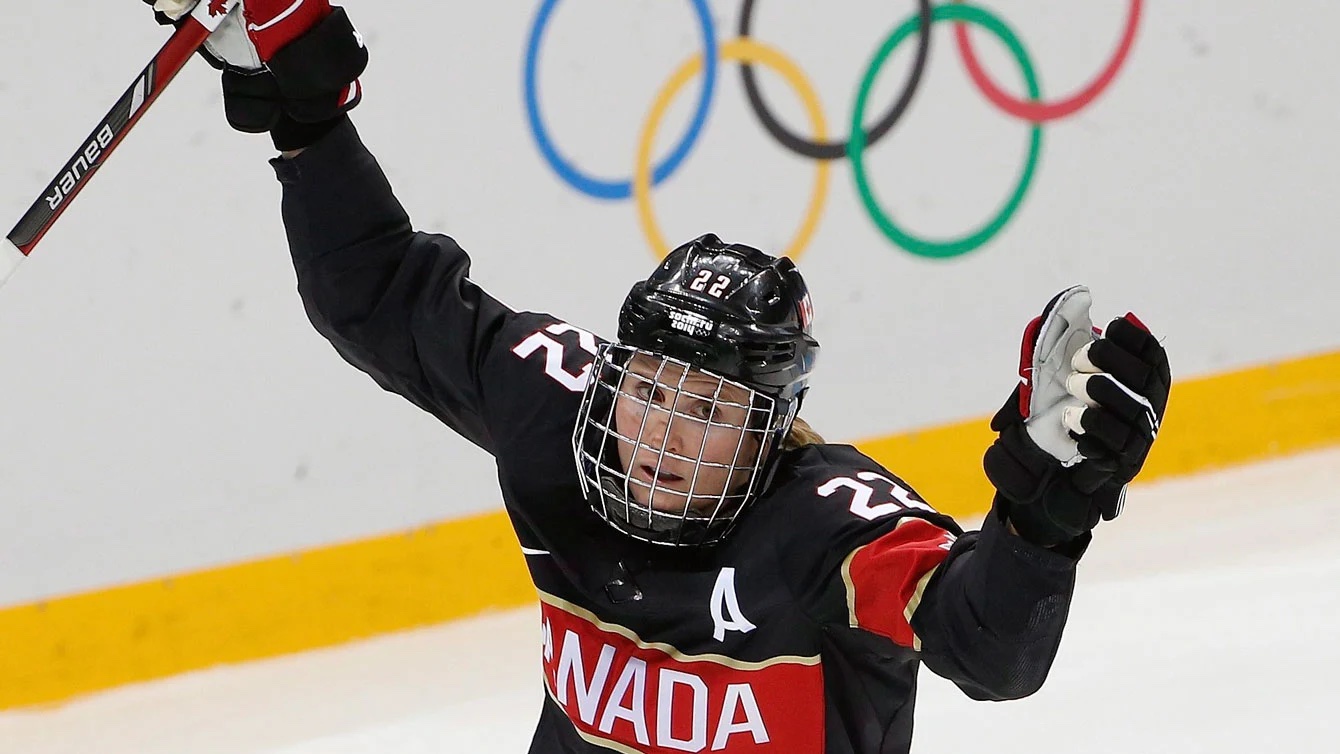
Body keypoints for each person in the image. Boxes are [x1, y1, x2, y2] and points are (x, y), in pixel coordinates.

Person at [150, 2, 1172, 751]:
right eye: (647, 388)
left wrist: (1045, 517)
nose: (664, 431)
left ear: (772, 431)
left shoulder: (830, 528)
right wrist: (309, 118)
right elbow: (371, 295)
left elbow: (989, 650)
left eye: (710, 410)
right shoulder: (552, 402)